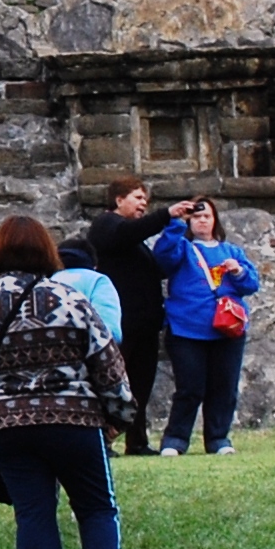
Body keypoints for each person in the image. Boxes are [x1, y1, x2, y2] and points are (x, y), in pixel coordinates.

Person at [0, 217, 142, 549]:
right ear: (47, 250)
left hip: (7, 426)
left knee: (33, 514)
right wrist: (118, 416)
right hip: (74, 419)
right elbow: (107, 363)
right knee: (95, 507)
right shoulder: (72, 301)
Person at [152, 198, 262, 456]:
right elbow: (163, 258)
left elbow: (251, 284)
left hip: (227, 329)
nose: (202, 220)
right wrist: (175, 223)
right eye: (197, 216)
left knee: (224, 386)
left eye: (207, 216)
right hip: (187, 328)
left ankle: (218, 439)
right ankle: (175, 440)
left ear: (215, 221)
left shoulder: (232, 251)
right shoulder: (183, 248)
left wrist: (237, 272)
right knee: (189, 388)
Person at [82, 180, 166, 453]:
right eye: (138, 197)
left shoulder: (136, 241)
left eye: (146, 200)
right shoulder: (107, 226)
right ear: (118, 200)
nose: (143, 203)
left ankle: (137, 440)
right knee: (112, 381)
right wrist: (168, 215)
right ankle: (102, 439)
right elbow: (130, 232)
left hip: (144, 325)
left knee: (140, 385)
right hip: (122, 324)